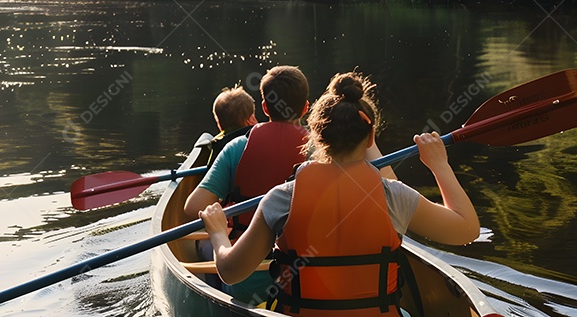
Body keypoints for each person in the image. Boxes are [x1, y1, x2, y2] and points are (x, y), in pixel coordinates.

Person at [199, 71, 479, 315]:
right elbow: (467, 230)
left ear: (315, 136)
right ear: (370, 138)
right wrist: (439, 166)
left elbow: (231, 272)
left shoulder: (281, 198)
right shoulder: (394, 196)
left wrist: (218, 232)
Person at [184, 65, 311, 302]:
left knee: (209, 244)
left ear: (264, 107)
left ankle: (215, 293)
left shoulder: (236, 148)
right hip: (305, 276)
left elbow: (193, 208)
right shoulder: (320, 152)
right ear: (306, 107)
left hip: (246, 279)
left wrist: (220, 223)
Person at [204, 85, 258, 166]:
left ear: (219, 124)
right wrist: (257, 128)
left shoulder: (218, 147)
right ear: (251, 119)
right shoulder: (257, 141)